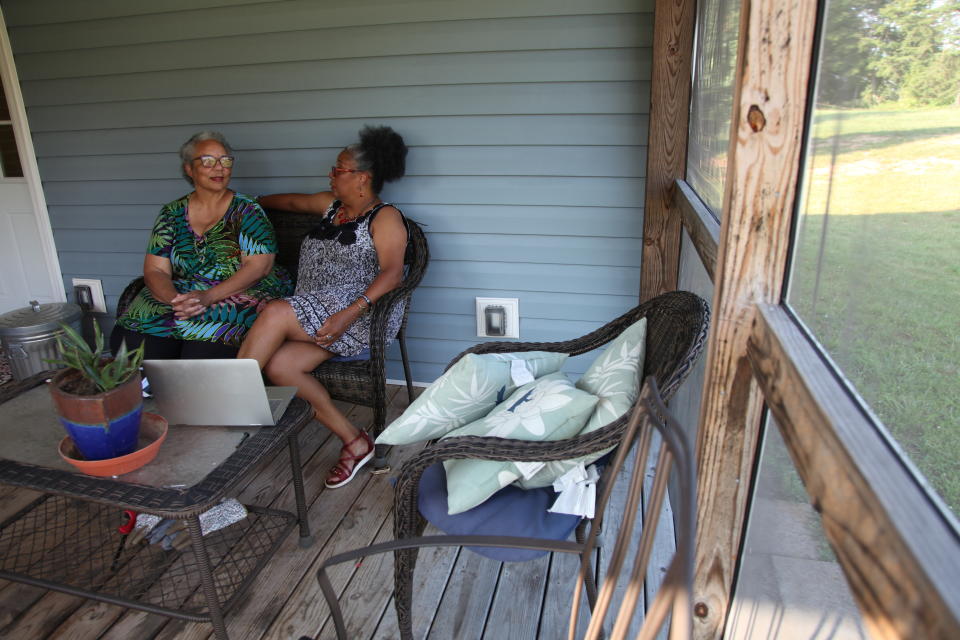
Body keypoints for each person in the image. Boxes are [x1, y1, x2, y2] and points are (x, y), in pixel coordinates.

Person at [238, 125, 409, 489]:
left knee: (274, 312)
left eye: (338, 168)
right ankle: (355, 441)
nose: (330, 175)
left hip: (358, 316)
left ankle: (230, 413)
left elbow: (393, 274)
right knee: (281, 366)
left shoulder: (385, 217)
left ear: (362, 178)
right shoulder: (329, 206)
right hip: (313, 311)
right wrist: (240, 204)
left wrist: (348, 313)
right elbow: (284, 202)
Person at [111, 131, 292, 359]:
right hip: (182, 292)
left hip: (237, 291)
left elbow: (258, 267)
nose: (219, 168)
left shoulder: (246, 210)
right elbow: (155, 269)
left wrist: (207, 297)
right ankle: (148, 392)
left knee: (203, 353)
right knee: (132, 343)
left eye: (225, 161)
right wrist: (175, 300)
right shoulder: (171, 213)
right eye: (208, 161)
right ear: (189, 169)